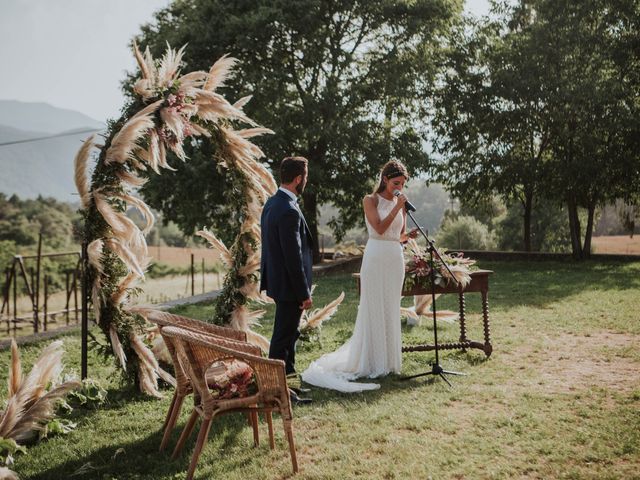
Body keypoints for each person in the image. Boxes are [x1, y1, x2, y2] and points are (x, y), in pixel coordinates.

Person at [301, 160, 418, 392]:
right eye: (396, 183)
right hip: (375, 257)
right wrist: (397, 206)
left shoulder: (401, 203)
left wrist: (408, 235)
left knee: (391, 306)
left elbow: (398, 234)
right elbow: (379, 228)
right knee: (374, 306)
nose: (400, 189)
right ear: (385, 179)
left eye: (403, 184)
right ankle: (370, 361)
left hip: (395, 258)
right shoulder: (370, 200)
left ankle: (389, 362)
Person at [260, 156, 314, 403]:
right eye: (306, 177)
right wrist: (304, 293)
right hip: (290, 287)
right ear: (299, 178)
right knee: (282, 339)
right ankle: (275, 389)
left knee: (289, 336)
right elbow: (292, 257)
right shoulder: (288, 209)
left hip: (278, 283)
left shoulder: (272, 203)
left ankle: (290, 387)